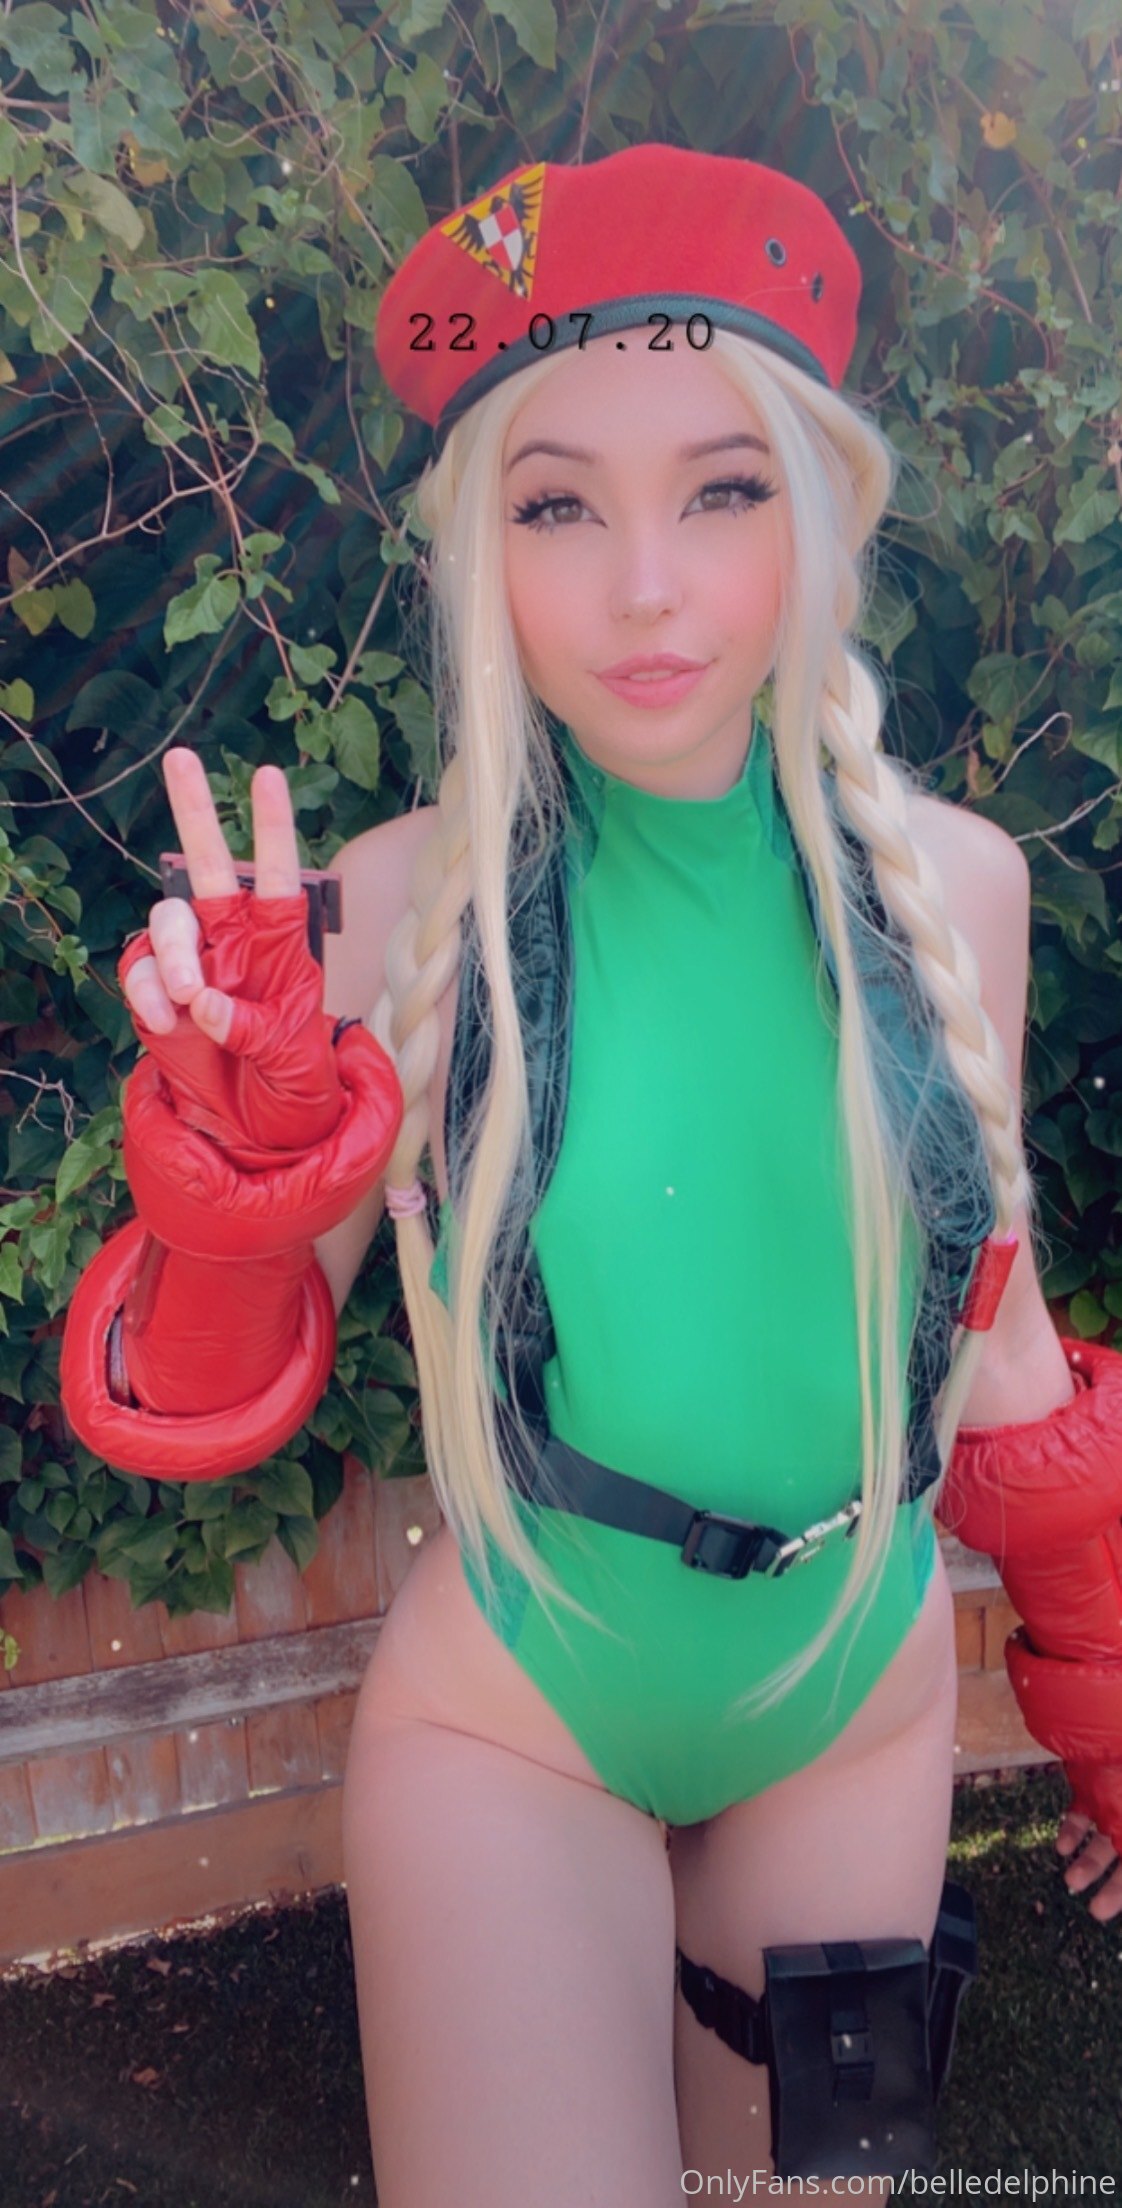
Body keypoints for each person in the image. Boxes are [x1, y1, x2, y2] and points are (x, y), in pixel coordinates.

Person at [60, 143, 1122, 2203]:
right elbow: (204, 1399)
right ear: (483, 549)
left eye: (720, 491)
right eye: (558, 505)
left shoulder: (962, 895)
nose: (645, 588)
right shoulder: (383, 911)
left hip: (856, 1720)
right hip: (515, 1727)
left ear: (814, 511)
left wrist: (1105, 1722)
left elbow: (999, 1369)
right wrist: (229, 1168)